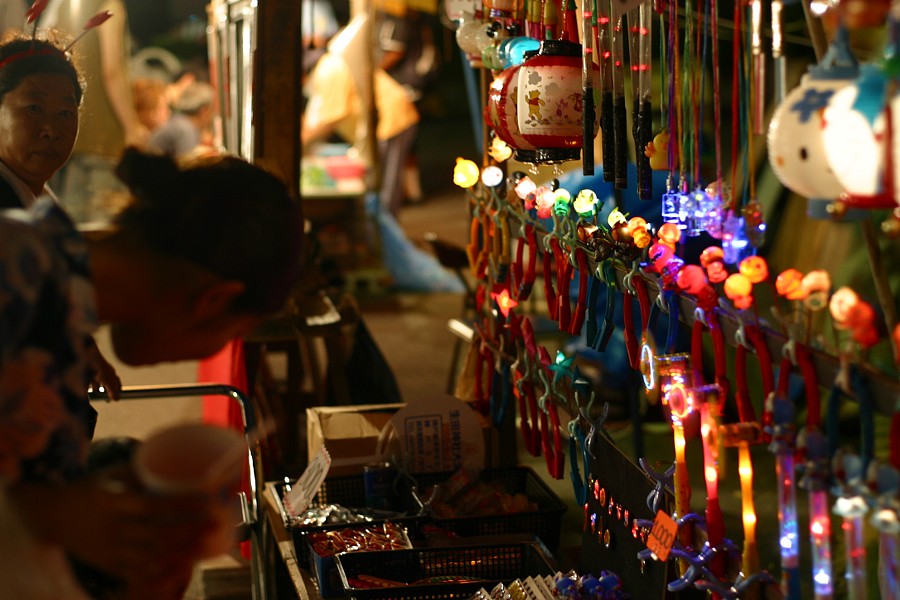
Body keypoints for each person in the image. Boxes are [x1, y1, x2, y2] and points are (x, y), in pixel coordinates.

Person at [0, 145, 303, 598]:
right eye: (235, 332)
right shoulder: (14, 282)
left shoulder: (52, 296)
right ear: (213, 301)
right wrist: (53, 514)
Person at [0, 33, 121, 401]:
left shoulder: (42, 203)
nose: (51, 129)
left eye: (66, 112)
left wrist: (82, 344)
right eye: (33, 108)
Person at [302, 14, 419, 218]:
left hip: (393, 119)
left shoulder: (328, 71)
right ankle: (381, 232)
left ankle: (384, 237)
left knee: (386, 186)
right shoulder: (326, 68)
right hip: (383, 121)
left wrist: (302, 141)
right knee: (381, 183)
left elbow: (333, 117)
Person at [43, 0, 149, 224]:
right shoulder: (109, 5)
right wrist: (132, 128)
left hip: (69, 138)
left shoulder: (63, 6)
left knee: (76, 233)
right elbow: (112, 71)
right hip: (104, 139)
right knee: (105, 235)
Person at [147, 80, 215, 160]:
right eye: (212, 109)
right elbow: (188, 166)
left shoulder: (180, 123)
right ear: (204, 110)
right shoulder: (186, 129)